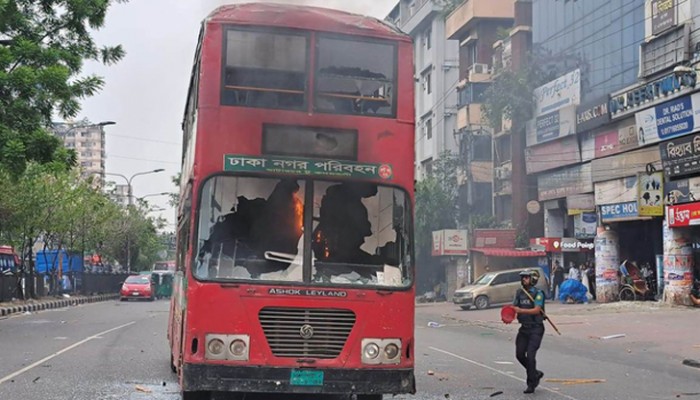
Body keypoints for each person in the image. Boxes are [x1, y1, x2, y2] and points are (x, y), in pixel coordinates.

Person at [512, 269, 546, 394]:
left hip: (536, 329)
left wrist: (521, 311)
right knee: (519, 354)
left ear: (532, 279)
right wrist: (508, 315)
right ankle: (535, 373)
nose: (524, 280)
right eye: (523, 278)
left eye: (526, 277)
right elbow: (513, 308)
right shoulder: (519, 293)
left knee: (531, 356)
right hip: (524, 329)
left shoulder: (538, 293)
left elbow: (537, 310)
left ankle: (531, 383)